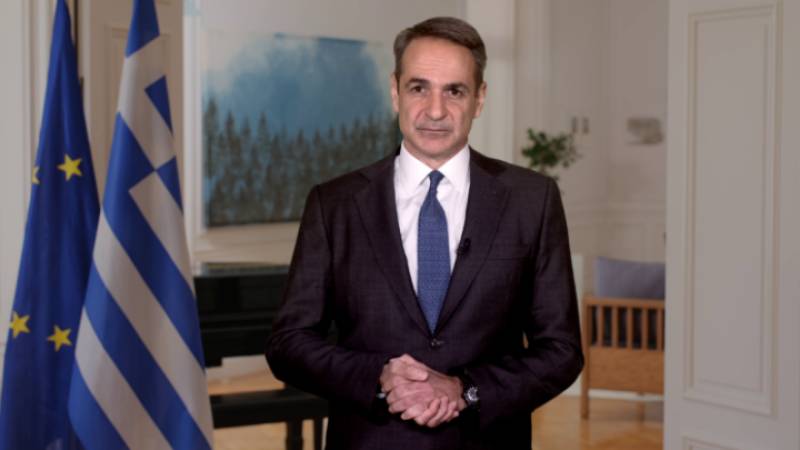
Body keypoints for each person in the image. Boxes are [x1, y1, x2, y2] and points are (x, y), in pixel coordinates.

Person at [266, 16, 583, 449]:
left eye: (454, 91)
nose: (435, 111)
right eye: (419, 88)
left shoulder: (532, 199)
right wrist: (380, 377)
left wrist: (466, 391)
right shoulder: (334, 204)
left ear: (479, 98)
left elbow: (562, 350)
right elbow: (288, 343)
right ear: (395, 91)